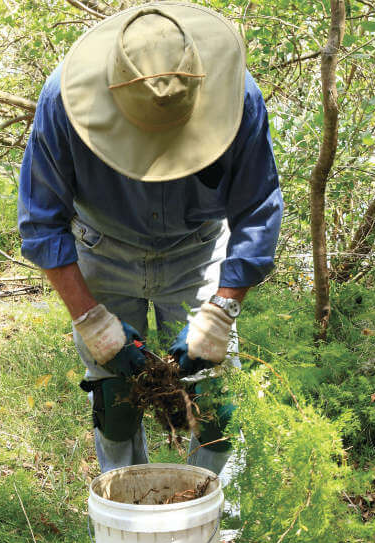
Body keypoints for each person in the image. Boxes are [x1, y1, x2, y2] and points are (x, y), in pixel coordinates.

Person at [18, 3, 282, 477]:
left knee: (215, 395)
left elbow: (258, 212)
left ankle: (216, 529)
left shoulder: (240, 98)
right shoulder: (62, 101)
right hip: (104, 246)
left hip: (197, 249)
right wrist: (91, 318)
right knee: (115, 395)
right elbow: (41, 223)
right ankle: (128, 512)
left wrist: (221, 313)